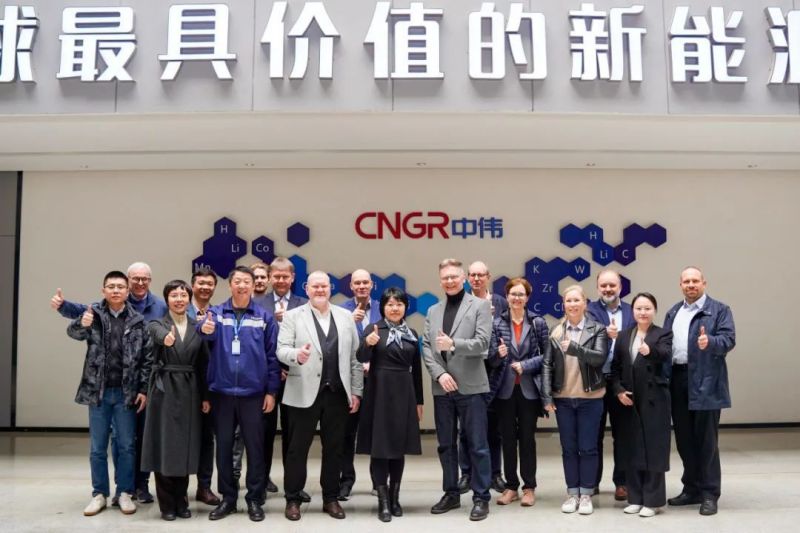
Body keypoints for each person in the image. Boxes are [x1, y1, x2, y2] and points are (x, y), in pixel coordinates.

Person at [53, 261, 166, 504]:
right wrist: (79, 323)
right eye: (111, 287)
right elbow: (73, 333)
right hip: (98, 392)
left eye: (120, 287)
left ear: (127, 291)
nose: (116, 290)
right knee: (98, 448)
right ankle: (99, 494)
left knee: (126, 446)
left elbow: (146, 359)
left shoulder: (138, 320)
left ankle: (124, 492)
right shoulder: (94, 314)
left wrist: (143, 390)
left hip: (126, 394)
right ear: (103, 290)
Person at [277, 271, 363, 521]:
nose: (320, 290)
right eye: (315, 286)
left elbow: (355, 358)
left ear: (330, 288)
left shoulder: (345, 317)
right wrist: (296, 355)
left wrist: (356, 391)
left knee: (334, 448)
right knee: (297, 449)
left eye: (324, 286)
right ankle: (293, 498)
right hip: (303, 393)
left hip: (337, 394)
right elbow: (281, 350)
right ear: (306, 288)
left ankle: (331, 498)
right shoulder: (293, 316)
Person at [198, 266, 280, 522]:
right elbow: (203, 336)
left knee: (255, 449)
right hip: (222, 393)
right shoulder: (216, 314)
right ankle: (228, 498)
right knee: (223, 448)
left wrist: (271, 391)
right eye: (238, 281)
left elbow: (273, 358)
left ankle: (254, 498)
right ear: (230, 285)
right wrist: (203, 329)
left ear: (253, 285)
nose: (242, 285)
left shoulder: (264, 318)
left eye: (247, 281)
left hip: (253, 394)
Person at [422, 258, 493, 521]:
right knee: (445, 445)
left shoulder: (480, 306)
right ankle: (451, 493)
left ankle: (481, 497)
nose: (450, 281)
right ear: (440, 281)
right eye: (445, 278)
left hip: (471, 387)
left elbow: (483, 343)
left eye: (454, 276)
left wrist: (453, 344)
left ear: (463, 278)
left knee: (478, 445)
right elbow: (426, 347)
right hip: (443, 388)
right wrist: (440, 374)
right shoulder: (433, 310)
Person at [663, 267, 735, 516]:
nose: (691, 285)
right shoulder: (674, 312)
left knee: (706, 442)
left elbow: (729, 340)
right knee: (684, 440)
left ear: (704, 283)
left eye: (695, 281)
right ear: (680, 285)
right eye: (686, 281)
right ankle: (691, 488)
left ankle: (709, 494)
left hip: (706, 382)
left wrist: (710, 342)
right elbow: (665, 344)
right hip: (678, 379)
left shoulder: (719, 310)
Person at [141, 280, 211, 521]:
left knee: (185, 446)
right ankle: (167, 504)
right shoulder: (157, 323)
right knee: (165, 446)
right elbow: (156, 334)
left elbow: (203, 364)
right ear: (167, 299)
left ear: (189, 299)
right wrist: (166, 338)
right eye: (174, 295)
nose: (179, 299)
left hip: (191, 390)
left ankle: (182, 500)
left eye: (183, 295)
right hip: (165, 390)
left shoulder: (197, 326)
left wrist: (205, 396)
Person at [355, 287, 424, 522]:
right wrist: (368, 344)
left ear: (406, 307)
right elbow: (361, 357)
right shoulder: (373, 329)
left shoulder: (411, 333)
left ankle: (395, 498)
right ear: (383, 307)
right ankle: (383, 500)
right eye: (390, 304)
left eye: (399, 304)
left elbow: (417, 370)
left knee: (398, 447)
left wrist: (419, 401)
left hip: (405, 392)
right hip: (379, 392)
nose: (395, 308)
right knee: (380, 447)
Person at [542, 285, 608, 515]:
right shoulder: (556, 330)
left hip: (591, 398)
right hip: (564, 400)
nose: (572, 304)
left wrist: (575, 348)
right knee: (569, 449)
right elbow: (547, 364)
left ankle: (586, 494)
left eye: (576, 300)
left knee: (588, 448)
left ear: (585, 303)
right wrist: (547, 396)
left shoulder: (597, 329)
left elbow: (599, 358)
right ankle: (572, 493)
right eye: (568, 301)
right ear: (564, 305)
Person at [609, 292, 673, 518]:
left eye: (647, 308)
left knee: (653, 449)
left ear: (654, 311)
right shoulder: (624, 335)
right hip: (629, 400)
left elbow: (666, 355)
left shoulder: (663, 333)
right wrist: (618, 391)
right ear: (632, 311)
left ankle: (653, 501)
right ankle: (635, 498)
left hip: (654, 400)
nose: (643, 312)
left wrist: (650, 351)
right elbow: (615, 368)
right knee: (632, 448)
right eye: (638, 308)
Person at [488, 278, 548, 507]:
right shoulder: (497, 323)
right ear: (507, 297)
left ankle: (529, 487)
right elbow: (490, 359)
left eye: (521, 294)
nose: (516, 298)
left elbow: (547, 356)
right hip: (504, 390)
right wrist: (499, 354)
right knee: (507, 439)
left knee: (527, 439)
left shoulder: (538, 322)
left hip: (529, 389)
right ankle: (511, 486)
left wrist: (526, 365)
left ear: (527, 297)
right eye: (513, 294)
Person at [259, 256, 309, 500]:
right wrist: (274, 368)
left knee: (294, 435)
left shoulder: (304, 304)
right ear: (269, 278)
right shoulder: (258, 303)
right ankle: (261, 482)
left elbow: (308, 341)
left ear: (293, 278)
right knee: (264, 434)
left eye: (285, 276)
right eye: (276, 276)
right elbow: (255, 345)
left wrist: (289, 365)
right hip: (266, 380)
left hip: (295, 376)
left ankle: (294, 485)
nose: (280, 280)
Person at [586, 269, 634, 501]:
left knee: (623, 435)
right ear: (597, 288)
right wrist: (604, 334)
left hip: (622, 382)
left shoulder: (632, 311)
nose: (608, 289)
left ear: (620, 287)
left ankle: (622, 483)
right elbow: (583, 339)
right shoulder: (589, 310)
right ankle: (592, 482)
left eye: (612, 285)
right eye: (603, 285)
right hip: (595, 379)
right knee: (593, 435)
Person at [460, 261, 507, 494]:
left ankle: (495, 474)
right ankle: (466, 474)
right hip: (469, 371)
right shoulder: (462, 301)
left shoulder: (500, 302)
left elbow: (505, 330)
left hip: (495, 373)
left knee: (493, 429)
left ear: (488, 277)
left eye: (481, 275)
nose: (476, 279)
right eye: (473, 275)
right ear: (467, 278)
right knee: (465, 429)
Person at [337, 268, 381, 500]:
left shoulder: (384, 307)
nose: (362, 286)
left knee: (377, 432)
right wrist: (348, 322)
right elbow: (334, 342)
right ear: (351, 286)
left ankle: (378, 481)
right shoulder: (340, 310)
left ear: (372, 285)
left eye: (365, 282)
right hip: (349, 380)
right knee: (346, 433)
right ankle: (346, 480)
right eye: (357, 283)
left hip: (377, 379)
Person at [189, 267, 221, 507]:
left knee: (207, 439)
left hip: (208, 383)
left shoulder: (217, 314)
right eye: (201, 283)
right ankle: (177, 487)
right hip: (182, 380)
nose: (205, 287)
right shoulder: (180, 309)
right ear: (193, 285)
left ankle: (204, 487)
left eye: (209, 284)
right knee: (180, 436)